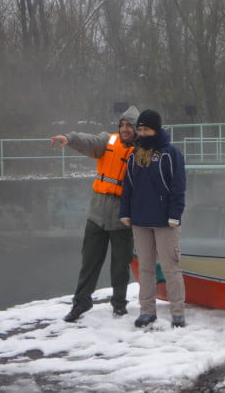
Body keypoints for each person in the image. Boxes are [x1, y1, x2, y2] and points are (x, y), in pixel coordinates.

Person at [50, 106, 139, 322]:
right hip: (97, 214)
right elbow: (88, 141)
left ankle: (119, 304)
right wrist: (69, 138)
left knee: (120, 265)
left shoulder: (142, 151)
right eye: (122, 125)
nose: (125, 129)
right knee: (89, 262)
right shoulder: (107, 141)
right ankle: (81, 303)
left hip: (122, 216)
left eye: (130, 126)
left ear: (137, 129)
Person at [119, 109, 187, 328]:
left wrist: (175, 215)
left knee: (170, 267)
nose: (142, 133)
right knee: (146, 268)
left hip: (166, 221)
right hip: (140, 220)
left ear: (156, 130)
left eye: (146, 129)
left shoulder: (170, 153)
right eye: (139, 129)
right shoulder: (134, 155)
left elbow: (178, 187)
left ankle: (178, 312)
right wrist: (125, 212)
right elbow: (128, 186)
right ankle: (147, 311)